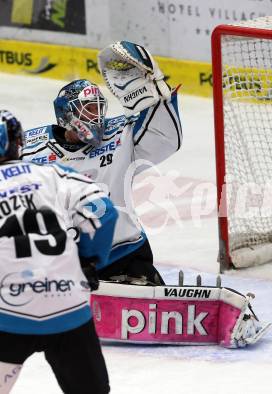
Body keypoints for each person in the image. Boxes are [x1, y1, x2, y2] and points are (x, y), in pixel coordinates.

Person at [20, 41, 183, 285]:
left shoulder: (120, 133)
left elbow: (166, 139)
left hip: (124, 252)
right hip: (60, 262)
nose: (95, 117)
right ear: (66, 115)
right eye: (87, 110)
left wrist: (157, 93)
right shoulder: (30, 149)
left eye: (98, 109)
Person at [0, 110, 118, 394]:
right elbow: (104, 211)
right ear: (19, 143)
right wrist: (88, 262)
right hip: (67, 305)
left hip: (8, 311)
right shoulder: (52, 173)